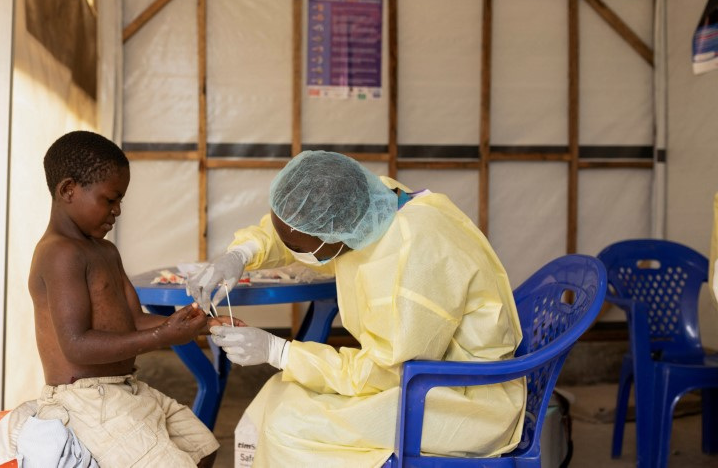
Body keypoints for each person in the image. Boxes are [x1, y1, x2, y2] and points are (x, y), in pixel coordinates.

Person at [189, 150, 526, 467]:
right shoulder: (371, 206)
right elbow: (292, 229)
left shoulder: (412, 261)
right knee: (278, 393)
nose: (291, 250)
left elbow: (387, 370)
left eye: (296, 247)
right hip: (418, 376)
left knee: (288, 427)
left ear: (335, 234)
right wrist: (243, 253)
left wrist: (279, 351)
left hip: (461, 399)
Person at [0, 131, 232, 467]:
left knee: (203, 448)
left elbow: (134, 321)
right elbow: (76, 345)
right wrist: (163, 336)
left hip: (122, 388)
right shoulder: (59, 254)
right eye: (110, 199)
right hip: (85, 399)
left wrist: (202, 324)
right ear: (68, 190)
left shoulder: (105, 250)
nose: (117, 210)